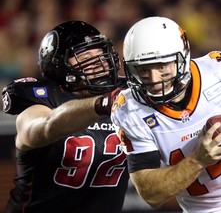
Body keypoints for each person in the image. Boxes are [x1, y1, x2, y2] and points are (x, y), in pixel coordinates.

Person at [111, 16, 221, 212]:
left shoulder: (220, 69)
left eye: (162, 66)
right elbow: (150, 194)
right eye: (142, 69)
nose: (153, 79)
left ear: (183, 57)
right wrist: (198, 159)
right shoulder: (129, 109)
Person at [1, 20, 129, 213]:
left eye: (100, 53)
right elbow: (47, 126)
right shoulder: (42, 99)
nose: (100, 62)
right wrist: (102, 104)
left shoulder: (127, 95)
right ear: (60, 65)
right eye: (86, 56)